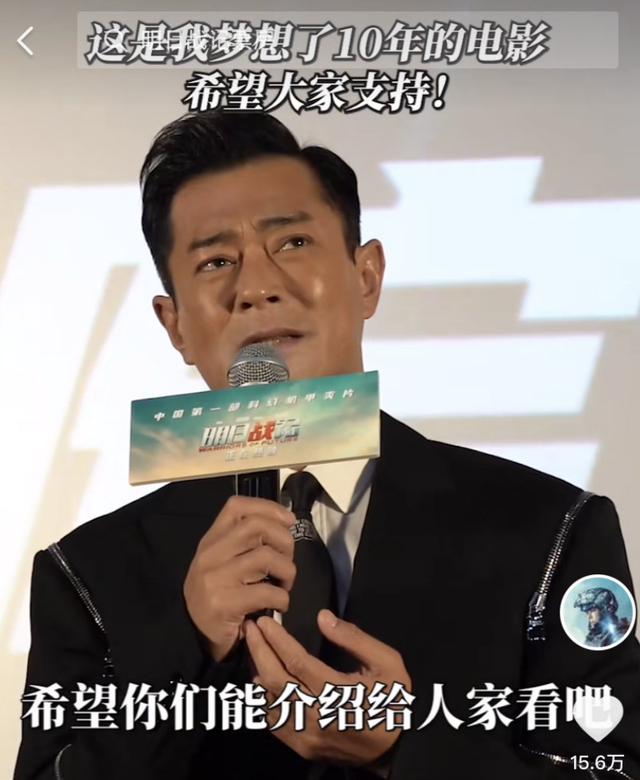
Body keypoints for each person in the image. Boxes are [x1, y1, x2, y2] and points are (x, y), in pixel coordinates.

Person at [14, 109, 640, 780]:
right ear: (176, 327)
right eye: (216, 260)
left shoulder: (550, 531)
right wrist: (181, 646)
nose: (256, 287)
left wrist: (404, 751)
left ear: (366, 277)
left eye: (292, 243)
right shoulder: (89, 572)